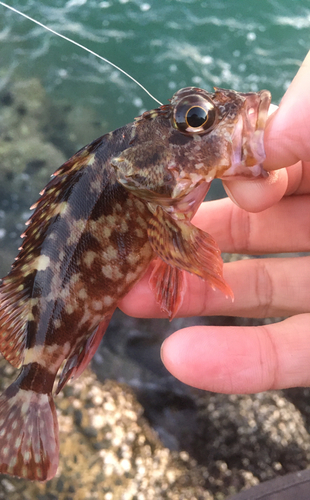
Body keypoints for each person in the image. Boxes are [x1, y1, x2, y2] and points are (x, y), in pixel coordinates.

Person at [119, 49, 310, 499]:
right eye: (197, 116)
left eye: (196, 114)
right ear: (153, 173)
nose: (245, 107)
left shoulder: (163, 200)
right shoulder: (146, 191)